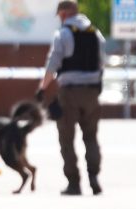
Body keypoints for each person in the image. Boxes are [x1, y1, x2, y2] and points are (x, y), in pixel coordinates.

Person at [36, 0, 106, 196]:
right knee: (90, 137)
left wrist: (43, 88)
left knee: (66, 139)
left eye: (59, 15)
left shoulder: (63, 34)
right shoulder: (96, 34)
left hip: (69, 92)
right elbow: (102, 62)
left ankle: (74, 183)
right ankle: (94, 177)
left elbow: (53, 64)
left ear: (65, 14)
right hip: (92, 92)